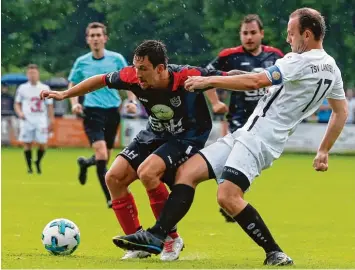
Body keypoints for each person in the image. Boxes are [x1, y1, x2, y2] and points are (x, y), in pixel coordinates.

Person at [112, 8, 348, 266]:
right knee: (187, 173)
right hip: (247, 133)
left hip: (261, 139)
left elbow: (256, 81)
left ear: (306, 33)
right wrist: (324, 150)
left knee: (227, 197)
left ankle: (275, 252)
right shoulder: (332, 68)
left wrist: (208, 81)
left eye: (291, 33)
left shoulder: (299, 61)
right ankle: (158, 236)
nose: (288, 38)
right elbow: (341, 111)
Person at [40, 40, 229, 261]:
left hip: (187, 135)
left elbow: (222, 77)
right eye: (135, 67)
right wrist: (65, 95)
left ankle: (169, 239)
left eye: (143, 69)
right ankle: (138, 243)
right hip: (154, 131)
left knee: (148, 172)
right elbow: (98, 81)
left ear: (160, 69)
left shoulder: (185, 75)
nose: (137, 74)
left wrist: (261, 79)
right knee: (113, 178)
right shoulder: (131, 75)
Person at [206, 14, 284, 222]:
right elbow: (206, 76)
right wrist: (215, 102)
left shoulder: (275, 56)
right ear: (240, 35)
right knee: (236, 160)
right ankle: (232, 199)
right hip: (239, 119)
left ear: (261, 34)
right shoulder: (229, 56)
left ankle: (231, 199)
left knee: (245, 162)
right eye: (245, 33)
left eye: (253, 33)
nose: (248, 37)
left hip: (266, 120)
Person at [68, 22, 129, 208]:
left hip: (112, 112)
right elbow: (72, 84)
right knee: (102, 153)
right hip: (92, 111)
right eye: (92, 36)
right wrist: (75, 104)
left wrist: (132, 101)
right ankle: (110, 198)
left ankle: (86, 163)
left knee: (104, 157)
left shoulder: (116, 59)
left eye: (98, 35)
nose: (95, 39)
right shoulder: (82, 62)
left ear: (105, 38)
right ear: (87, 40)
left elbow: (129, 80)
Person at [14, 64, 55, 174]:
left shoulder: (44, 88)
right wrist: (20, 113)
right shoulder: (22, 88)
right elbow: (17, 104)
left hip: (41, 119)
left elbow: (50, 105)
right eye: (30, 73)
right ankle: (29, 167)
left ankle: (38, 161)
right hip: (27, 119)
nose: (32, 75)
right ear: (27, 75)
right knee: (27, 143)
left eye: (34, 73)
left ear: (38, 74)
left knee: (42, 144)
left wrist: (51, 120)